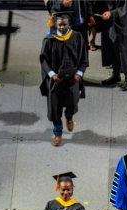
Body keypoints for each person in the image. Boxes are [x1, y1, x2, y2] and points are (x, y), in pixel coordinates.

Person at [39, 11, 89, 146]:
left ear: (69, 24)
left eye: (64, 24)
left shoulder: (77, 37)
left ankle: (69, 117)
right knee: (55, 108)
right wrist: (51, 75)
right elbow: (43, 60)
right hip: (56, 80)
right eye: (59, 25)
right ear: (55, 24)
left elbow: (84, 59)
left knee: (72, 103)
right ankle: (58, 133)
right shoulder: (50, 39)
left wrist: (79, 74)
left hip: (73, 79)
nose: (61, 27)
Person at [99, 0, 127, 91]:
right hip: (109, 22)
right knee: (112, 48)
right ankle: (115, 75)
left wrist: (111, 13)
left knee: (124, 50)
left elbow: (125, 9)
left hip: (121, 23)